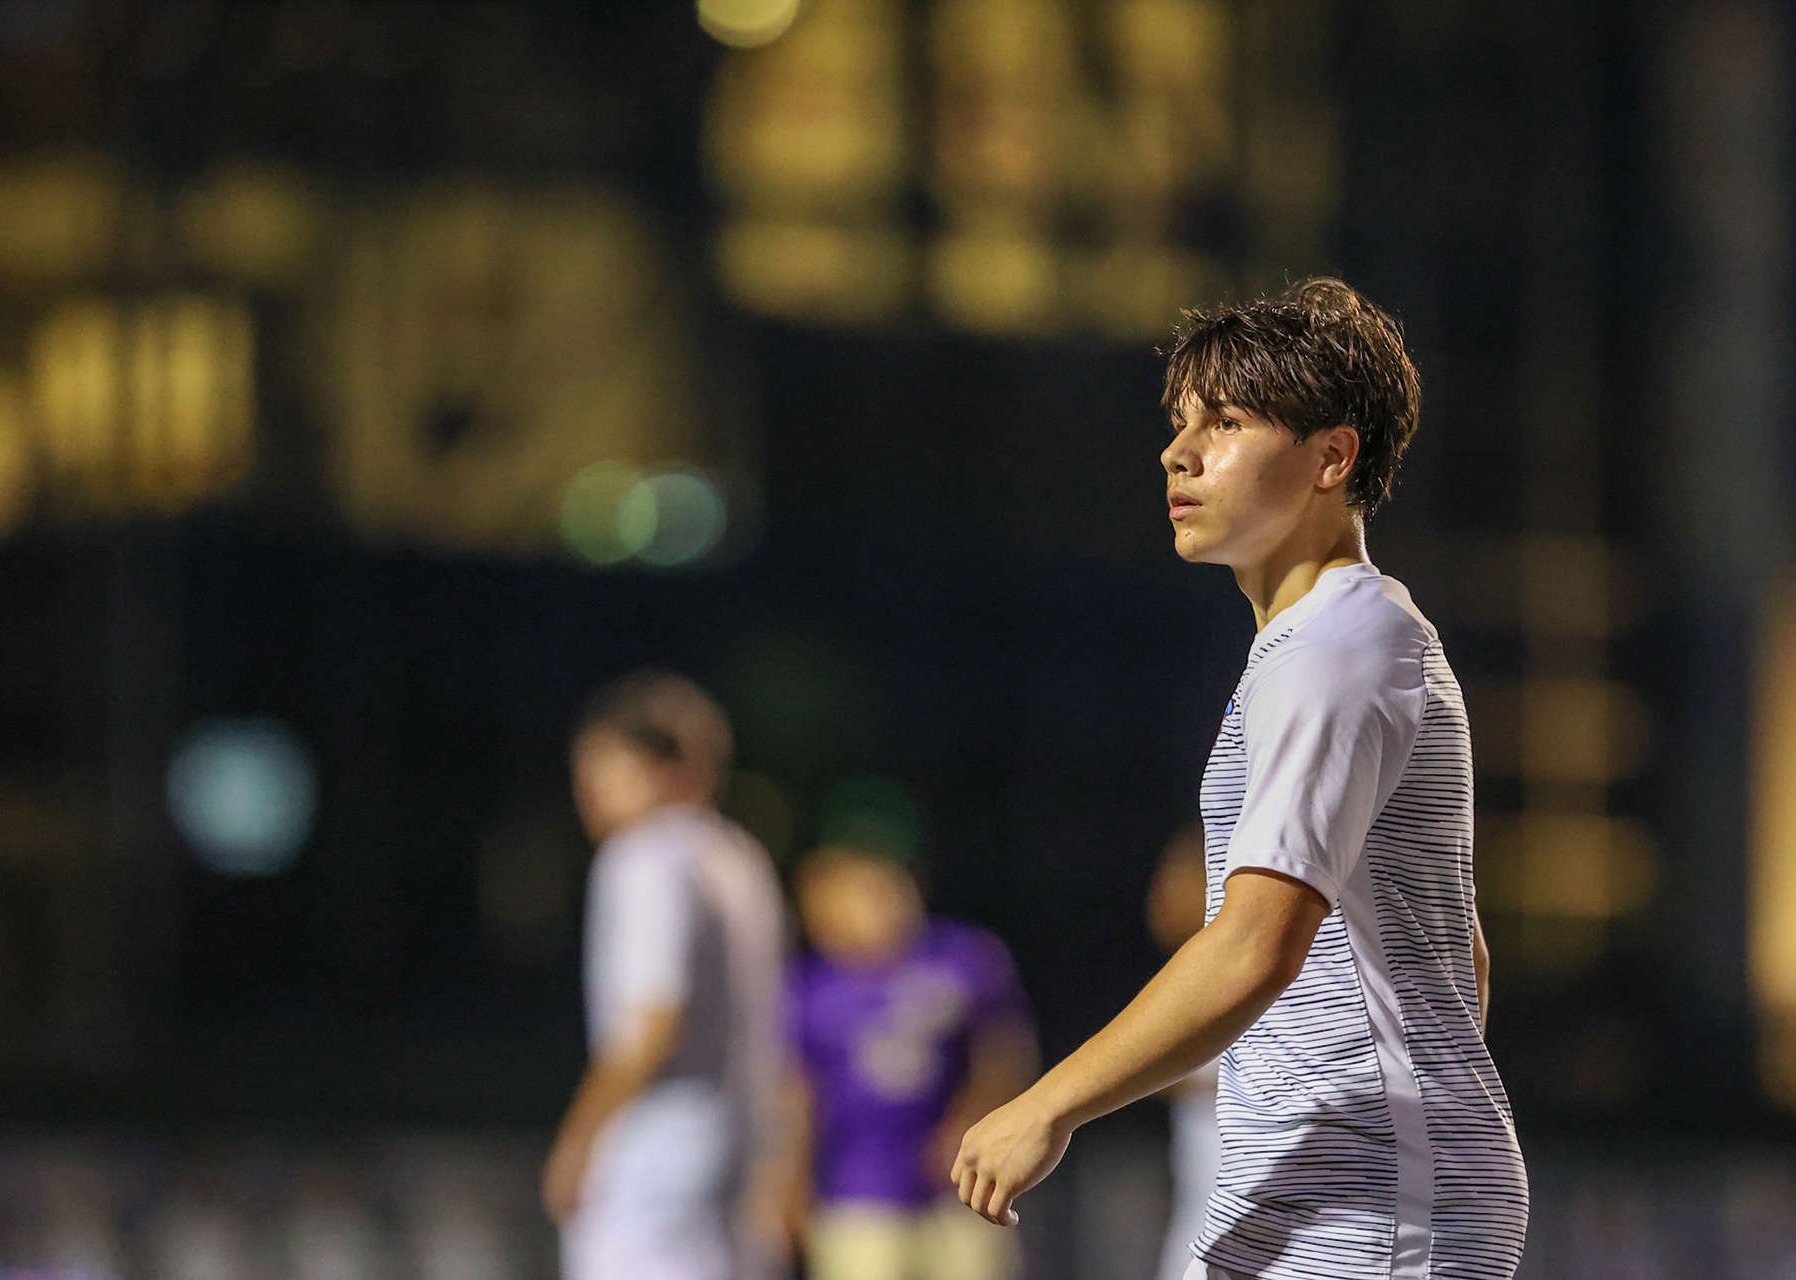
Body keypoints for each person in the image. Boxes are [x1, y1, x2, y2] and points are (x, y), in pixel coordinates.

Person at [950, 278, 1529, 1279]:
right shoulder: (1326, 641)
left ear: (1331, 456)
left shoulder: (1340, 645)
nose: (1180, 451)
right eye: (1181, 423)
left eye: (1225, 421)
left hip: (1363, 1202)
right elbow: (1456, 953)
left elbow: (1257, 940)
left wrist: (1047, 1103)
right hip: (1334, 1178)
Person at [543, 671, 787, 1280]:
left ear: (656, 767)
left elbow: (653, 1021)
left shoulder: (644, 856)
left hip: (656, 1157)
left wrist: (579, 1141)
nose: (586, 788)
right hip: (739, 1146)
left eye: (600, 765)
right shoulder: (740, 858)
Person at [782, 843, 1036, 1280]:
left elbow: (1006, 1055)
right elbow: (797, 1094)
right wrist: (790, 1183)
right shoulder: (809, 988)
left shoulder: (963, 959)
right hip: (857, 1190)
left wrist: (973, 1124)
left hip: (961, 1185)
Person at [1144, 825, 1220, 1280]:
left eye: (1178, 880)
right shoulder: (1188, 970)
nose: (1164, 896)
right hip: (1201, 1200)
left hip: (1270, 1205)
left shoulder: (1273, 967)